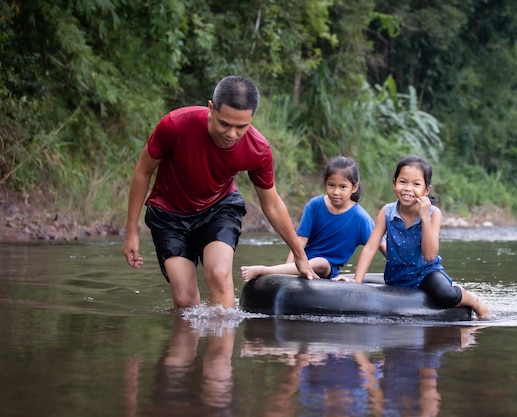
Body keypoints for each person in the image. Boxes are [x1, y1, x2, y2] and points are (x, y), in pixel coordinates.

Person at [122, 75, 317, 310]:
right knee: (185, 300)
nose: (231, 134)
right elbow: (143, 171)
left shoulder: (258, 149)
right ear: (211, 108)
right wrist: (131, 231)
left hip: (218, 208)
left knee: (219, 274)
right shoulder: (175, 124)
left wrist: (299, 254)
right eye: (225, 124)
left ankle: (221, 343)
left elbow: (272, 205)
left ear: (251, 119)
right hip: (169, 214)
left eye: (241, 127)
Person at [347, 155, 491, 318]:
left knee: (445, 295)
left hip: (426, 273)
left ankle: (473, 300)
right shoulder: (386, 212)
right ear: (394, 184)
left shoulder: (433, 214)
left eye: (416, 184)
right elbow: (371, 247)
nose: (408, 188)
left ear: (426, 190)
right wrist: (357, 281)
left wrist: (424, 218)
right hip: (397, 276)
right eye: (403, 182)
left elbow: (430, 256)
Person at [241, 156, 380, 281]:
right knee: (308, 260)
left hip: (327, 268)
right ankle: (277, 271)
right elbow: (300, 240)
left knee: (321, 263)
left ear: (354, 187)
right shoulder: (315, 205)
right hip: (301, 259)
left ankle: (264, 270)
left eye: (343, 187)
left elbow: (378, 244)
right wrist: (286, 270)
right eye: (331, 185)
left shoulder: (361, 218)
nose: (336, 192)